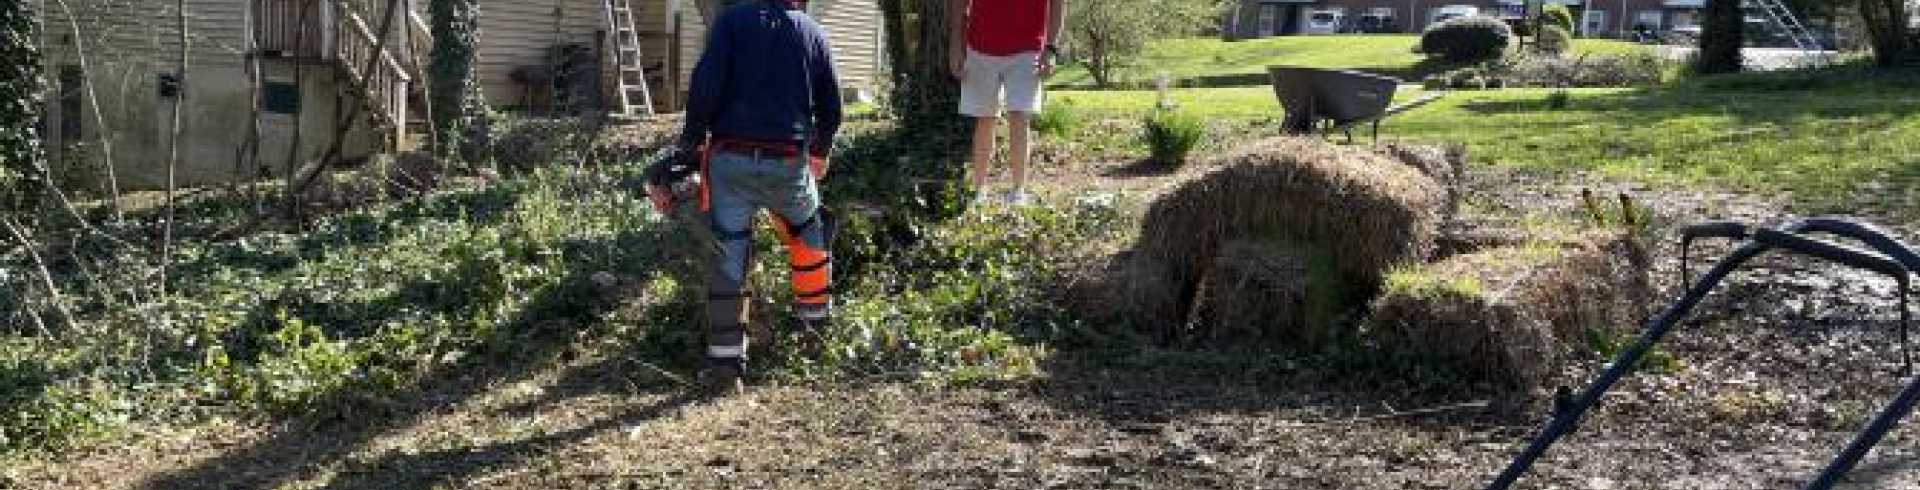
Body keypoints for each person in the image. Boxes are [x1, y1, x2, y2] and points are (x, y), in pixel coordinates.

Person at [673, 0, 843, 395]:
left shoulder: (732, 21)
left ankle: (726, 366)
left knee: (728, 249)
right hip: (788, 161)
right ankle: (813, 337)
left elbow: (706, 84)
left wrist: (692, 139)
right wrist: (819, 151)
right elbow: (831, 107)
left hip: (730, 159)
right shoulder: (812, 32)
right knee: (809, 233)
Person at [948, 0, 1066, 205]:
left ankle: (1018, 192)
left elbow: (1058, 3)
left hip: (1028, 48)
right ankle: (979, 191)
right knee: (985, 119)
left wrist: (1051, 49)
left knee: (1019, 116)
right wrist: (955, 46)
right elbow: (959, 4)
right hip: (980, 46)